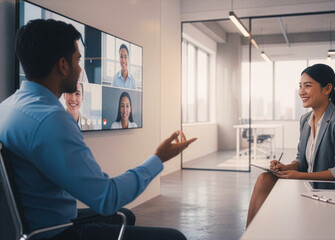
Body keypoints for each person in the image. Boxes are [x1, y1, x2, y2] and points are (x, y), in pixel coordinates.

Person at [0, 19, 196, 240]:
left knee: (125, 216)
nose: (80, 69)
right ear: (63, 65)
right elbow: (107, 198)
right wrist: (159, 158)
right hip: (56, 232)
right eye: (78, 60)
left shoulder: (6, 107)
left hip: (27, 225)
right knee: (173, 238)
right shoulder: (52, 120)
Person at [246, 64, 335, 227]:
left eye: (307, 86)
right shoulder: (305, 120)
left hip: (330, 189)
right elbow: (302, 162)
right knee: (265, 178)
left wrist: (300, 176)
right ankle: (250, 234)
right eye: (300, 86)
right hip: (306, 183)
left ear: (327, 89)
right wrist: (286, 167)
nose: (301, 92)